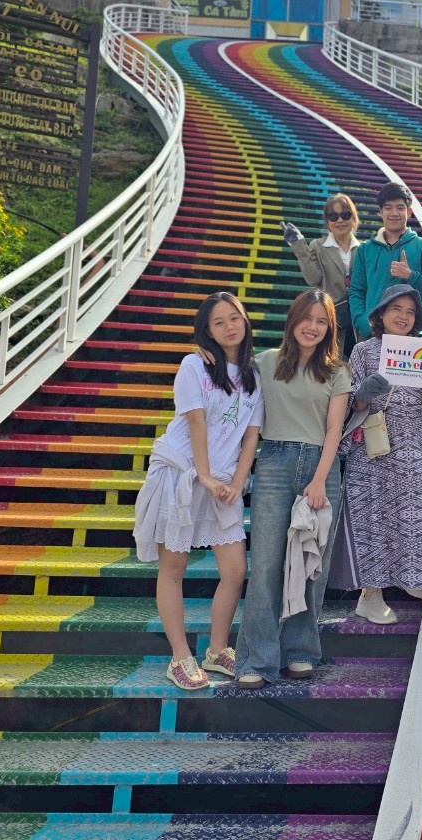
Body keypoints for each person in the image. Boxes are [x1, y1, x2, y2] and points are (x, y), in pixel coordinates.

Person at [133, 292, 263, 691]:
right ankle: (179, 656)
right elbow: (195, 421)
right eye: (218, 322)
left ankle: (217, 650)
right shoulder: (194, 365)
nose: (229, 327)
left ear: (245, 321)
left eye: (234, 318)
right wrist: (204, 476)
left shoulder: (253, 375)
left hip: (223, 480)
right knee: (174, 568)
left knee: (235, 570)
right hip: (182, 474)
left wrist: (237, 483)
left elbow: (251, 435)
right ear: (207, 331)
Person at [235, 290, 351, 689]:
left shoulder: (337, 371)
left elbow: (334, 429)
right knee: (266, 564)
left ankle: (301, 651)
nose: (312, 327)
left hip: (321, 467)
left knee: (312, 564)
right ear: (293, 319)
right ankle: (257, 659)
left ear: (329, 329)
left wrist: (318, 479)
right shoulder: (264, 362)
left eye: (321, 321)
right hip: (274, 461)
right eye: (307, 318)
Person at [331, 284, 422, 623]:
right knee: (372, 519)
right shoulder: (362, 351)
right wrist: (363, 394)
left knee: (419, 517)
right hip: (373, 446)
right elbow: (350, 403)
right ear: (381, 314)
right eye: (396, 309)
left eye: (411, 311)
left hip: (415, 446)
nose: (403, 316)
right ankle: (370, 595)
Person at [349, 182, 422, 341]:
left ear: (409, 212)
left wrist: (411, 276)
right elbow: (356, 290)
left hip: (410, 335)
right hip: (371, 334)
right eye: (388, 208)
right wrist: (363, 322)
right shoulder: (365, 249)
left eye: (400, 208)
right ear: (380, 212)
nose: (394, 213)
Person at [282, 193, 363, 356]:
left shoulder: (364, 248)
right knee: (330, 362)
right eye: (333, 216)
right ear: (327, 221)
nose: (339, 220)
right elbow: (313, 279)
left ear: (353, 218)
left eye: (345, 214)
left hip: (358, 319)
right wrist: (299, 246)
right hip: (331, 317)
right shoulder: (318, 246)